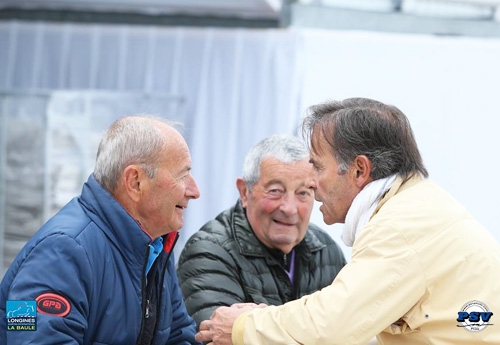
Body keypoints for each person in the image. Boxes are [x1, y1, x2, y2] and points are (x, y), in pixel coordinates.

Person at [195, 98, 500, 345]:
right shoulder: (414, 207)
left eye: (316, 166)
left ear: (358, 171)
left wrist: (244, 327)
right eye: (275, 191)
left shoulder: (398, 227)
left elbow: (332, 325)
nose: (311, 183)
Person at [0, 115, 202, 345]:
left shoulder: (155, 247)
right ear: (135, 182)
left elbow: (179, 336)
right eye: (182, 175)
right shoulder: (61, 251)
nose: (194, 191)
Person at [177, 133, 346, 327]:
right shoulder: (209, 253)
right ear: (244, 192)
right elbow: (221, 338)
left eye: (303, 193)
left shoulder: (326, 250)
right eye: (275, 191)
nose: (289, 208)